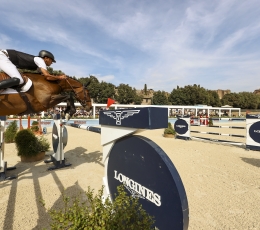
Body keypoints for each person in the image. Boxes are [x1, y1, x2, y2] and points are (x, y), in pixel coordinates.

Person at [0, 49, 67, 90]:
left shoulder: (38, 66)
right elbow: (48, 76)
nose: (52, 63)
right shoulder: (40, 60)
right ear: (46, 58)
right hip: (3, 56)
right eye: (51, 60)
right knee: (19, 79)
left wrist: (56, 77)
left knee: (18, 79)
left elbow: (45, 77)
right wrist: (59, 77)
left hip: (5, 57)